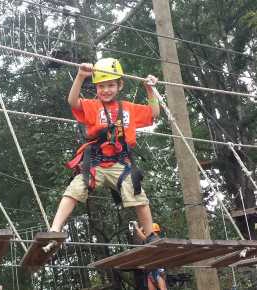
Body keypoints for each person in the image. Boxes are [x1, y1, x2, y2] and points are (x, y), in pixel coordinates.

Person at [49, 57, 160, 243]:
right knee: (75, 189)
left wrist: (150, 89)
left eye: (110, 85)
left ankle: (150, 234)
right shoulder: (93, 106)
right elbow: (73, 101)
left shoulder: (129, 108)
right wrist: (80, 76)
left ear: (120, 85)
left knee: (137, 192)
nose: (106, 90)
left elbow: (154, 113)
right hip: (96, 162)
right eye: (101, 86)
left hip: (120, 163)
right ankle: (54, 229)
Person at [133, 222, 168, 290]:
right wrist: (143, 226)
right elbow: (141, 235)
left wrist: (137, 227)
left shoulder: (154, 239)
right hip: (150, 271)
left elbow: (141, 235)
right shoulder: (149, 241)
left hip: (158, 269)